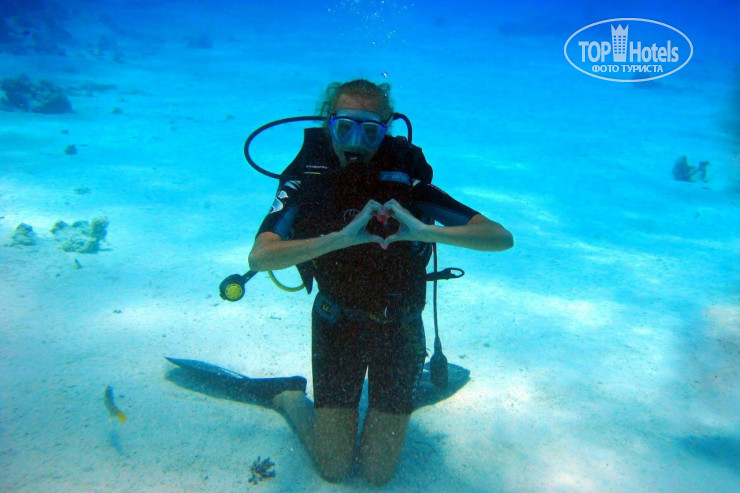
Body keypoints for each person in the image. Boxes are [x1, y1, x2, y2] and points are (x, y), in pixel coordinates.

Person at [248, 79, 513, 485]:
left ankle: (399, 400)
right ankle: (289, 399)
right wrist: (337, 240)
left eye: (370, 132)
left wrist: (424, 231)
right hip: (338, 325)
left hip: (400, 328)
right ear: (329, 123)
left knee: (377, 474)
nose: (356, 143)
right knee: (334, 468)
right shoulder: (308, 177)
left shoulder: (405, 181)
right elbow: (260, 256)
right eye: (345, 129)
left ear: (386, 130)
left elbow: (499, 237)